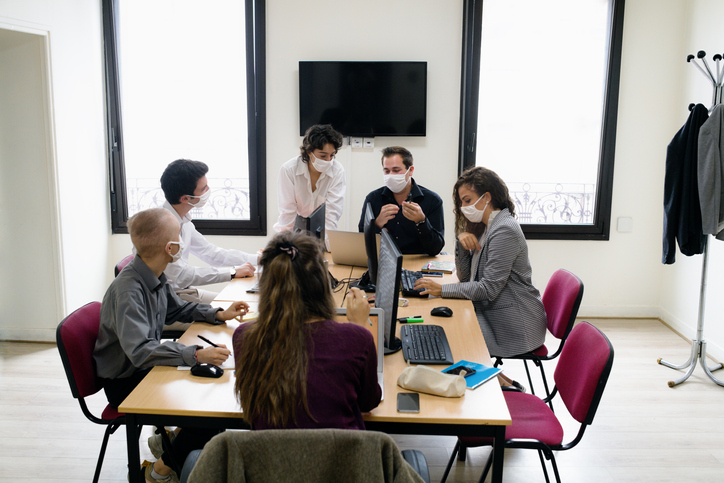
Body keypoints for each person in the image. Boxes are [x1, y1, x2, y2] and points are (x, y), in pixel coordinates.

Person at [94, 208, 249, 483]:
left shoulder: (153, 274)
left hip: (142, 367)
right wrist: (196, 354)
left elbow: (176, 310)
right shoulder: (129, 289)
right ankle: (155, 474)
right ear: (170, 248)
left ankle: (170, 443)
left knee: (207, 401)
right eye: (179, 236)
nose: (182, 241)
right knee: (209, 417)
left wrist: (217, 313)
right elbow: (141, 351)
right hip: (126, 381)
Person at [414, 166, 546, 390]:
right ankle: (500, 380)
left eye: (468, 200)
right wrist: (461, 240)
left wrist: (441, 289)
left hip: (515, 323)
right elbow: (466, 278)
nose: (464, 207)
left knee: (454, 336)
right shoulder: (485, 226)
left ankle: (495, 383)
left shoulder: (504, 230)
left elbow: (487, 289)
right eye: (461, 203)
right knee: (448, 326)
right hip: (496, 311)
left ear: (487, 197)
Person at [233, 232, 381, 430]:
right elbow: (368, 402)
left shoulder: (245, 336)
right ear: (322, 283)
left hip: (268, 460)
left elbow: (250, 404)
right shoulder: (356, 338)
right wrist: (360, 326)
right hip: (342, 459)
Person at [160, 159, 258, 304]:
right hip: (168, 302)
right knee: (239, 312)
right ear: (185, 198)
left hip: (184, 292)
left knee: (245, 303)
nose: (208, 190)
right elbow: (182, 275)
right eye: (203, 188)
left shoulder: (183, 221)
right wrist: (232, 272)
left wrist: (261, 259)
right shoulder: (161, 227)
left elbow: (212, 253)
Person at [358, 146, 444, 256]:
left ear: (410, 170)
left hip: (418, 263)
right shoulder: (373, 199)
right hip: (384, 262)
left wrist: (421, 221)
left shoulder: (432, 200)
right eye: (387, 171)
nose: (391, 176)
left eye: (396, 170)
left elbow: (435, 249)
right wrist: (377, 224)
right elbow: (361, 243)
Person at [273, 124, 345, 244]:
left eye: (332, 155)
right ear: (309, 152)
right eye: (323, 155)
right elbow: (287, 213)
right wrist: (284, 245)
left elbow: (332, 214)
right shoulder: (289, 170)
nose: (328, 161)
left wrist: (327, 245)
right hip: (295, 230)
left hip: (322, 233)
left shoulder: (337, 171)